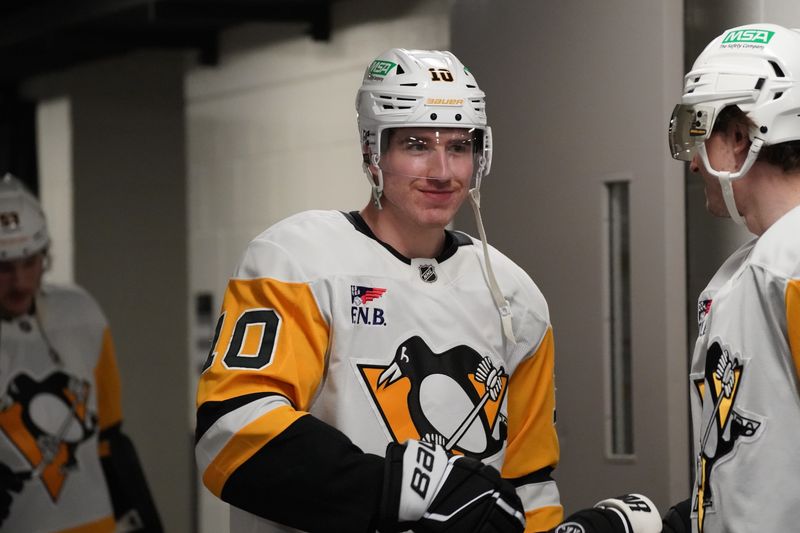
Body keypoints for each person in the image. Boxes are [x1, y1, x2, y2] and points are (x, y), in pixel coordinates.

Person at [195, 48, 563, 532]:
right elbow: (233, 431)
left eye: (458, 146)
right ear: (373, 152)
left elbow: (528, 485)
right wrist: (407, 486)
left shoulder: (513, 294)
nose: (441, 171)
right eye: (415, 144)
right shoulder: (296, 259)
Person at [665, 22, 800, 533]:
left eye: (699, 130)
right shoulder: (753, 266)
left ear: (742, 136)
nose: (694, 163)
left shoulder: (787, 265)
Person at [0, 173, 161, 532]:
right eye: (5, 268)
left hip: (95, 521)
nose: (21, 281)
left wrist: (135, 511)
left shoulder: (79, 313)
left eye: (30, 262)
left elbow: (109, 435)